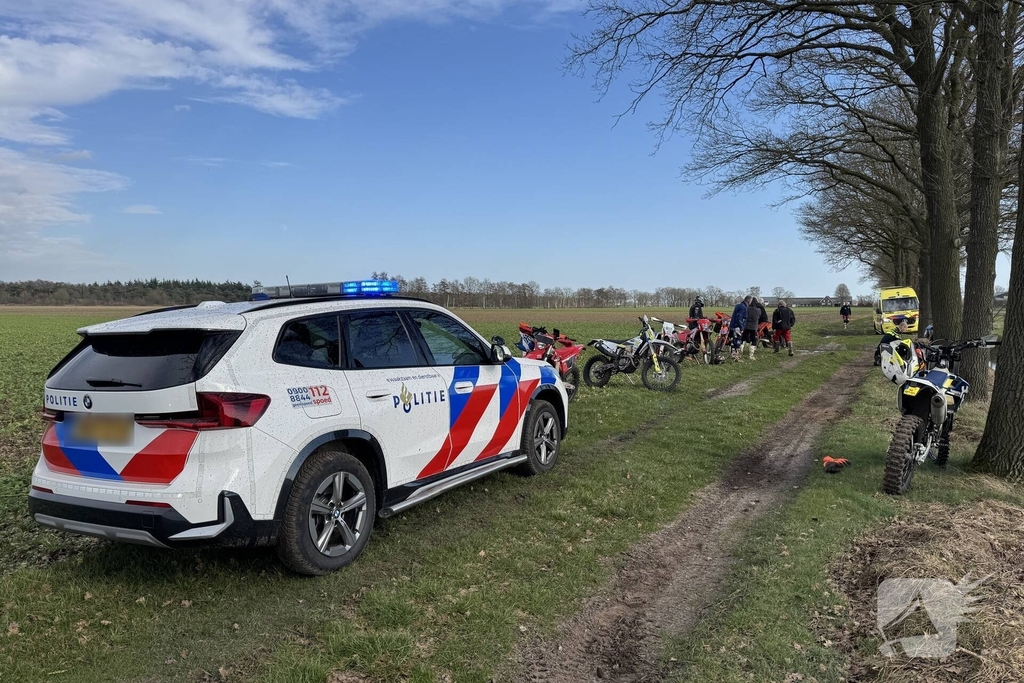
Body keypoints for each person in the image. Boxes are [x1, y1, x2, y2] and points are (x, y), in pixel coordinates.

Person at [730, 296, 750, 362]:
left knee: (733, 341)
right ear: (748, 301)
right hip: (738, 326)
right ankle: (737, 357)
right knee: (738, 342)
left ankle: (733, 355)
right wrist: (741, 327)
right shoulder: (743, 307)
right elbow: (739, 318)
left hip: (733, 326)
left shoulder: (738, 305)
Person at [742, 296, 761, 360]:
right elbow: (758, 317)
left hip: (746, 326)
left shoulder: (747, 309)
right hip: (753, 327)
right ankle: (751, 355)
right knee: (753, 340)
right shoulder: (758, 310)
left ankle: (740, 352)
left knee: (743, 339)